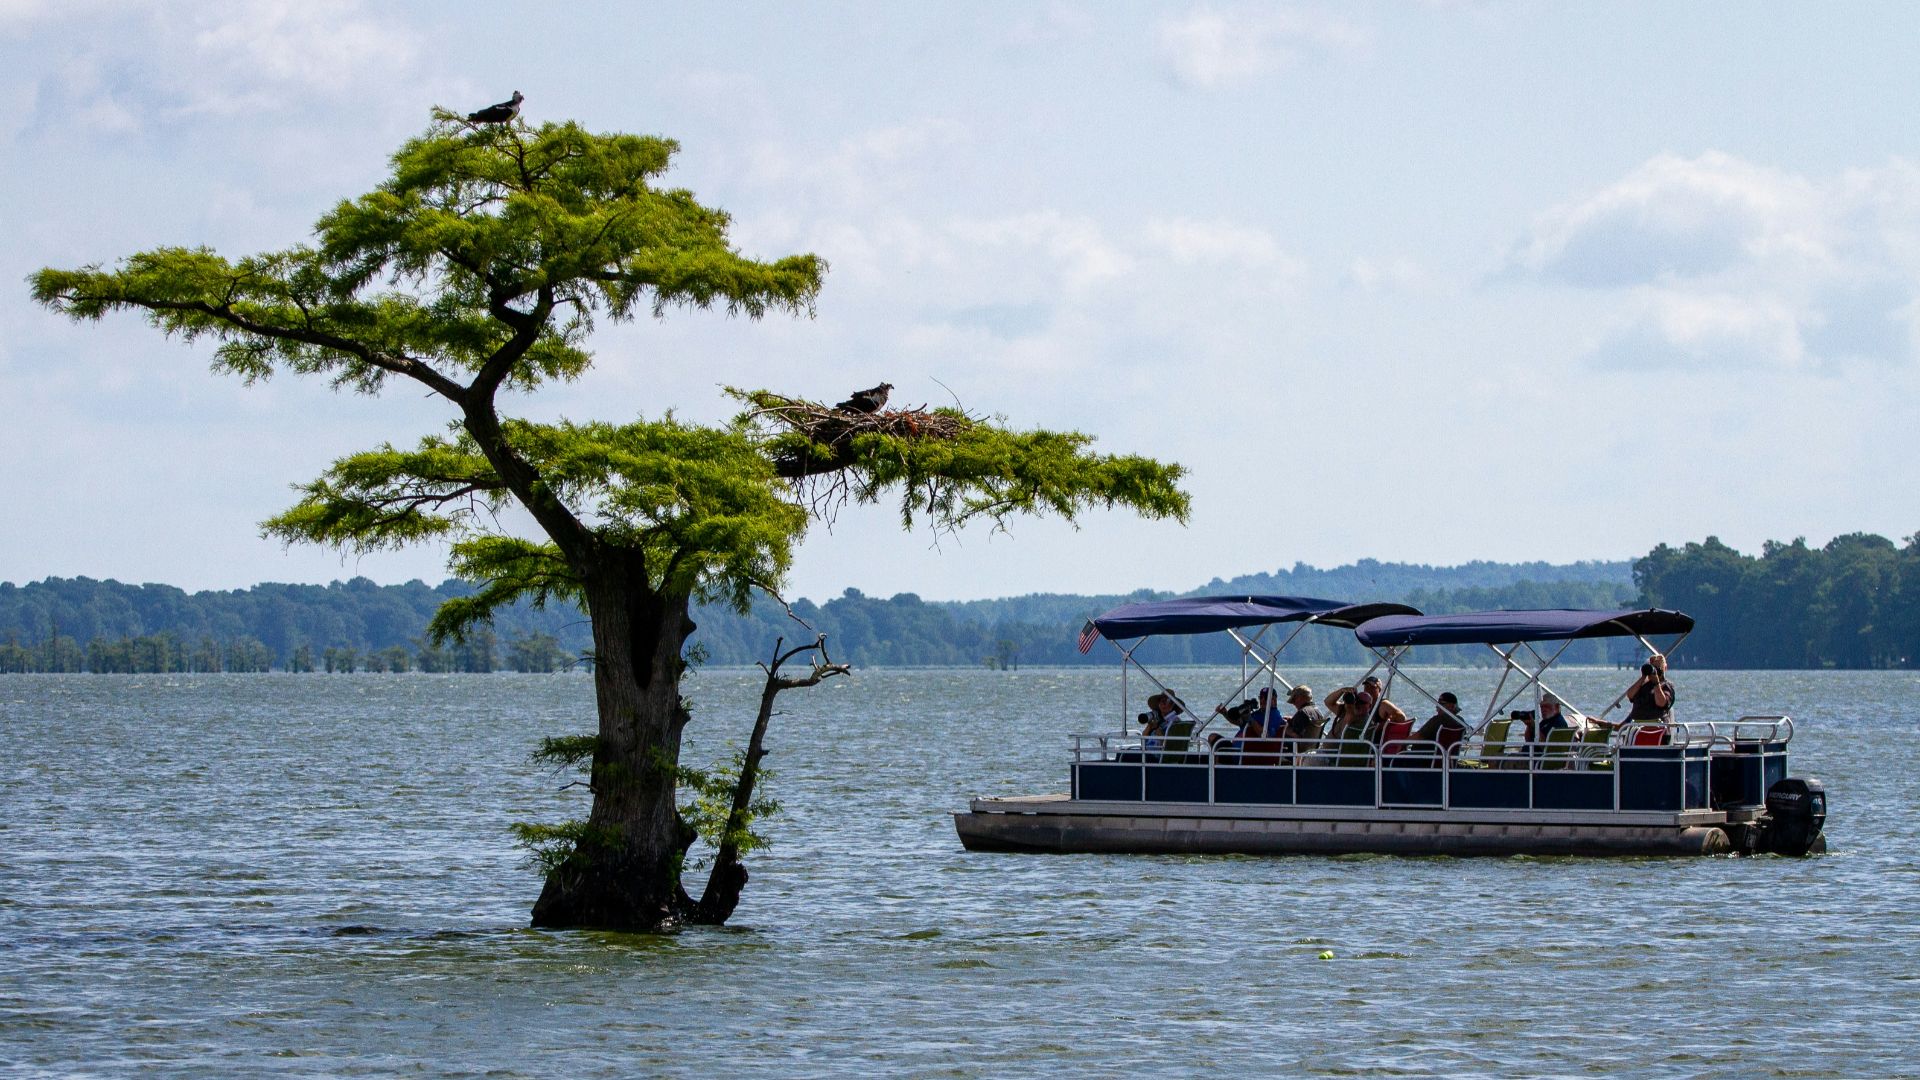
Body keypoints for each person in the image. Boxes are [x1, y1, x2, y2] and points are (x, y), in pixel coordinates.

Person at [1412, 691, 1469, 760]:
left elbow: (1417, 737)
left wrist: (1400, 743)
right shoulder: (1460, 722)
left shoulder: (1438, 720)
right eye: (1437, 704)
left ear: (1452, 706)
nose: (1437, 707)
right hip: (1447, 761)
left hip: (1425, 760)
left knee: (1398, 759)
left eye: (1442, 704)